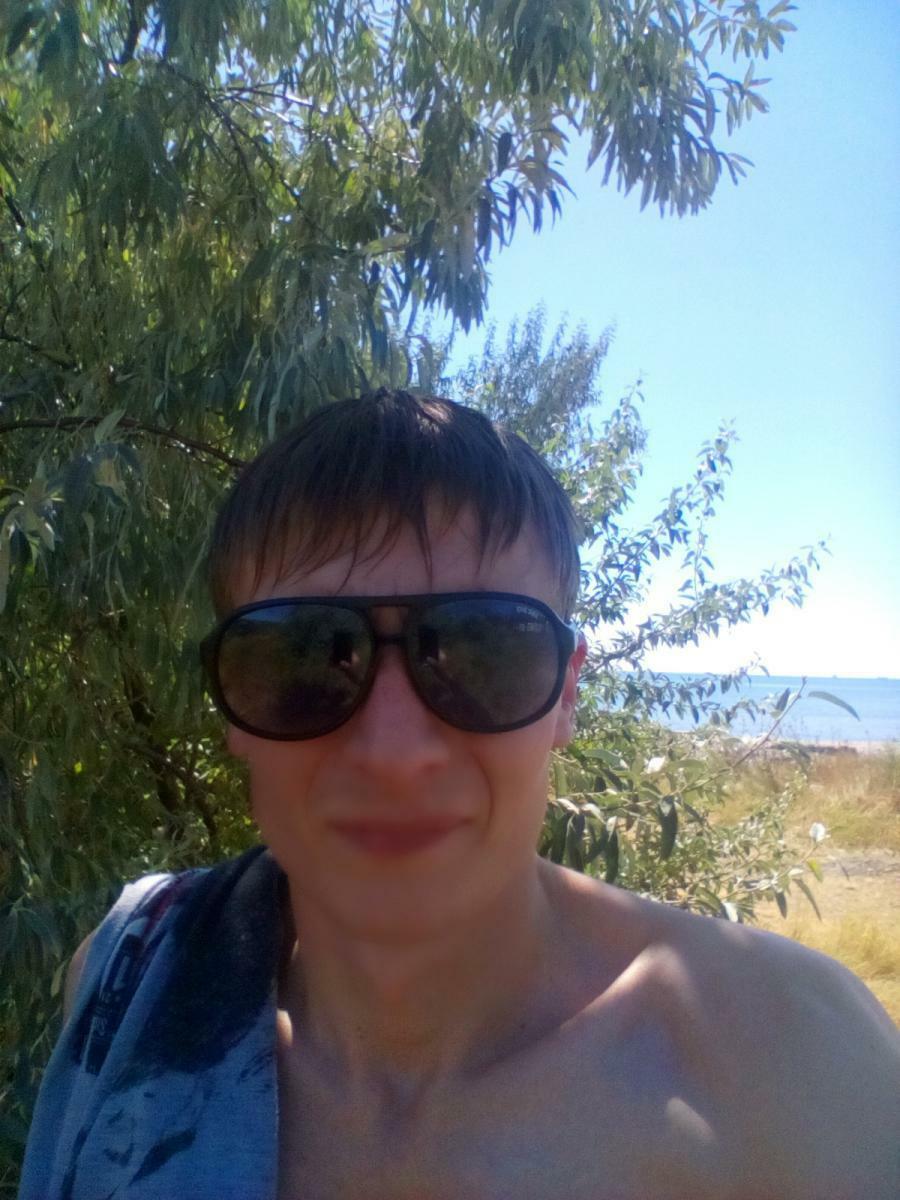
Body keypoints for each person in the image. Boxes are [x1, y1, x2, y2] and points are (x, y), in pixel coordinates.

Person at [19, 390, 900, 1200]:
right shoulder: (125, 985)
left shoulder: (793, 1064)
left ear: (565, 693)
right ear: (229, 704)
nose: (395, 754)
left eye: (485, 651)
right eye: (303, 657)